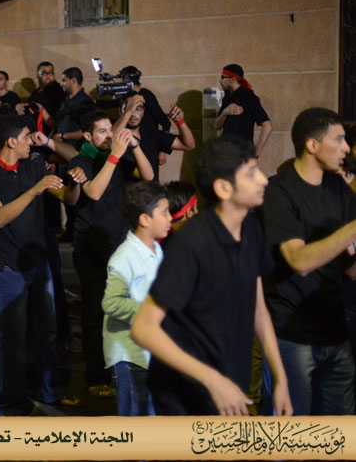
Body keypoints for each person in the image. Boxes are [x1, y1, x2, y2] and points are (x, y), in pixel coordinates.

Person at [131, 136, 292, 417]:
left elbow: (258, 307)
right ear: (223, 187)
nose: (263, 180)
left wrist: (281, 379)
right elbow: (143, 329)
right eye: (251, 174)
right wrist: (212, 379)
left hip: (230, 382)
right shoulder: (191, 243)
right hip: (185, 393)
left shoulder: (251, 230)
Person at [0, 114, 85, 415]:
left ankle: (51, 392)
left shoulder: (33, 166)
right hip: (8, 267)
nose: (30, 141)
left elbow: (68, 199)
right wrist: (34, 190)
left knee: (47, 333)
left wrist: (74, 184)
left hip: (39, 263)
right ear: (11, 142)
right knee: (11, 339)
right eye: (26, 136)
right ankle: (8, 405)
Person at [259, 107, 356, 415]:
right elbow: (298, 261)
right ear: (312, 145)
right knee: (293, 434)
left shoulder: (338, 189)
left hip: (335, 330)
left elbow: (348, 265)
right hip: (292, 335)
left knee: (342, 433)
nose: (346, 148)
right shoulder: (278, 192)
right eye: (338, 139)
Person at [67, 111, 153, 398]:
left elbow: (149, 176)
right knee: (95, 314)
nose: (109, 135)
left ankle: (125, 371)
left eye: (110, 130)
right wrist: (114, 156)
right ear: (88, 136)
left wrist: (135, 146)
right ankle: (95, 377)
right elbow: (93, 193)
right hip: (91, 248)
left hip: (119, 246)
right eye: (102, 131)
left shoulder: (115, 157)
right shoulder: (81, 161)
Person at [102, 181, 171, 416]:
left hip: (149, 349)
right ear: (145, 219)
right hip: (130, 355)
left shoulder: (156, 249)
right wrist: (152, 311)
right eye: (164, 212)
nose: (170, 218)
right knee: (135, 420)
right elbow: (111, 303)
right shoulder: (125, 257)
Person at [116, 92, 195, 182]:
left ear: (143, 111)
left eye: (138, 109)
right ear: (120, 111)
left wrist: (180, 122)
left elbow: (189, 145)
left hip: (152, 190)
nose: (133, 114)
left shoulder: (151, 133)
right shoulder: (114, 136)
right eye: (129, 109)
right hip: (126, 190)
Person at [216, 64, 272, 157]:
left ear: (232, 79)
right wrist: (225, 113)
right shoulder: (227, 97)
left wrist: (256, 152)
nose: (220, 81)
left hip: (242, 156)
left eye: (223, 77)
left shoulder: (249, 98)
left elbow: (267, 126)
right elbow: (217, 126)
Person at [17, 61, 65, 136]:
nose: (48, 76)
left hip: (51, 134)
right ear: (38, 75)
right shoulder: (35, 93)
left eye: (51, 73)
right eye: (44, 73)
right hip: (35, 133)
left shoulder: (58, 91)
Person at [54, 67, 95, 150]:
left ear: (73, 81)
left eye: (64, 80)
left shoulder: (86, 102)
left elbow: (86, 131)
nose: (61, 84)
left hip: (76, 150)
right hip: (60, 147)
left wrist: (63, 136)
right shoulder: (64, 99)